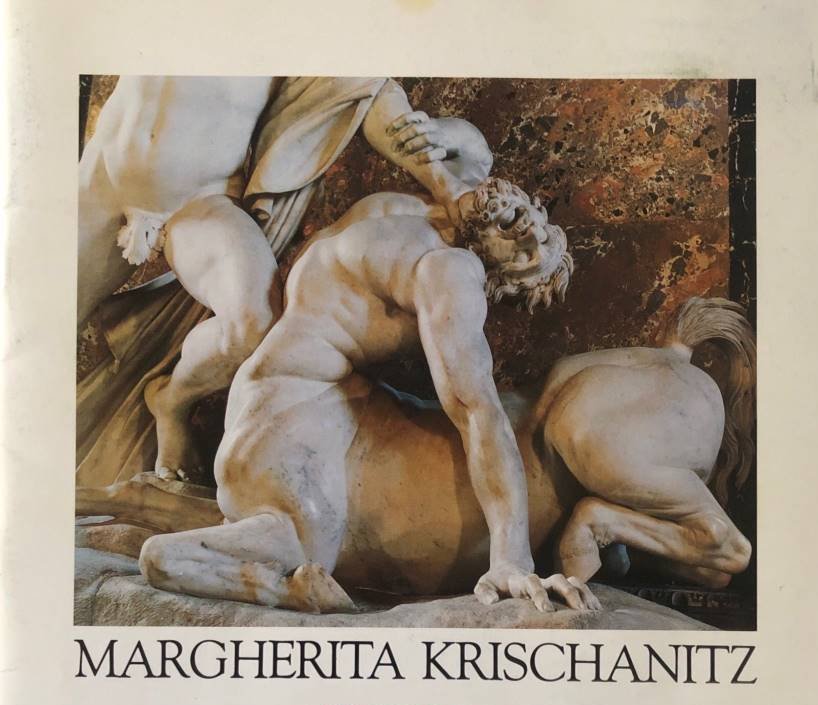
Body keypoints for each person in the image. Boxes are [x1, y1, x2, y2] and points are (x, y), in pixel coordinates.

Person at [138, 177, 583, 610]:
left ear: (504, 280)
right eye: (543, 230)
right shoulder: (451, 270)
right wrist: (511, 557)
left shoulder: (404, 207)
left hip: (264, 396)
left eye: (528, 255)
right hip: (292, 411)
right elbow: (477, 410)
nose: (531, 235)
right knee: (305, 547)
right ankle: (260, 583)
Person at [77, 76, 493, 484]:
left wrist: (448, 184)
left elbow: (362, 87)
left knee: (254, 323)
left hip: (198, 203)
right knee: (42, 325)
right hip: (101, 183)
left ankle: (170, 401)